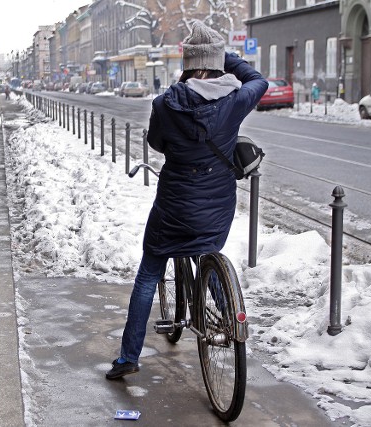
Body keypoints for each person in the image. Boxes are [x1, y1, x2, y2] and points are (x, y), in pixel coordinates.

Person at [106, 20, 268, 380]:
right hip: (217, 206)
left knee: (149, 272)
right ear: (217, 63)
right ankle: (228, 318)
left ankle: (128, 356)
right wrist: (226, 57)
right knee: (207, 251)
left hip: (175, 206)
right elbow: (259, 80)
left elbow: (156, 144)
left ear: (187, 63)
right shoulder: (235, 100)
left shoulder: (166, 104)